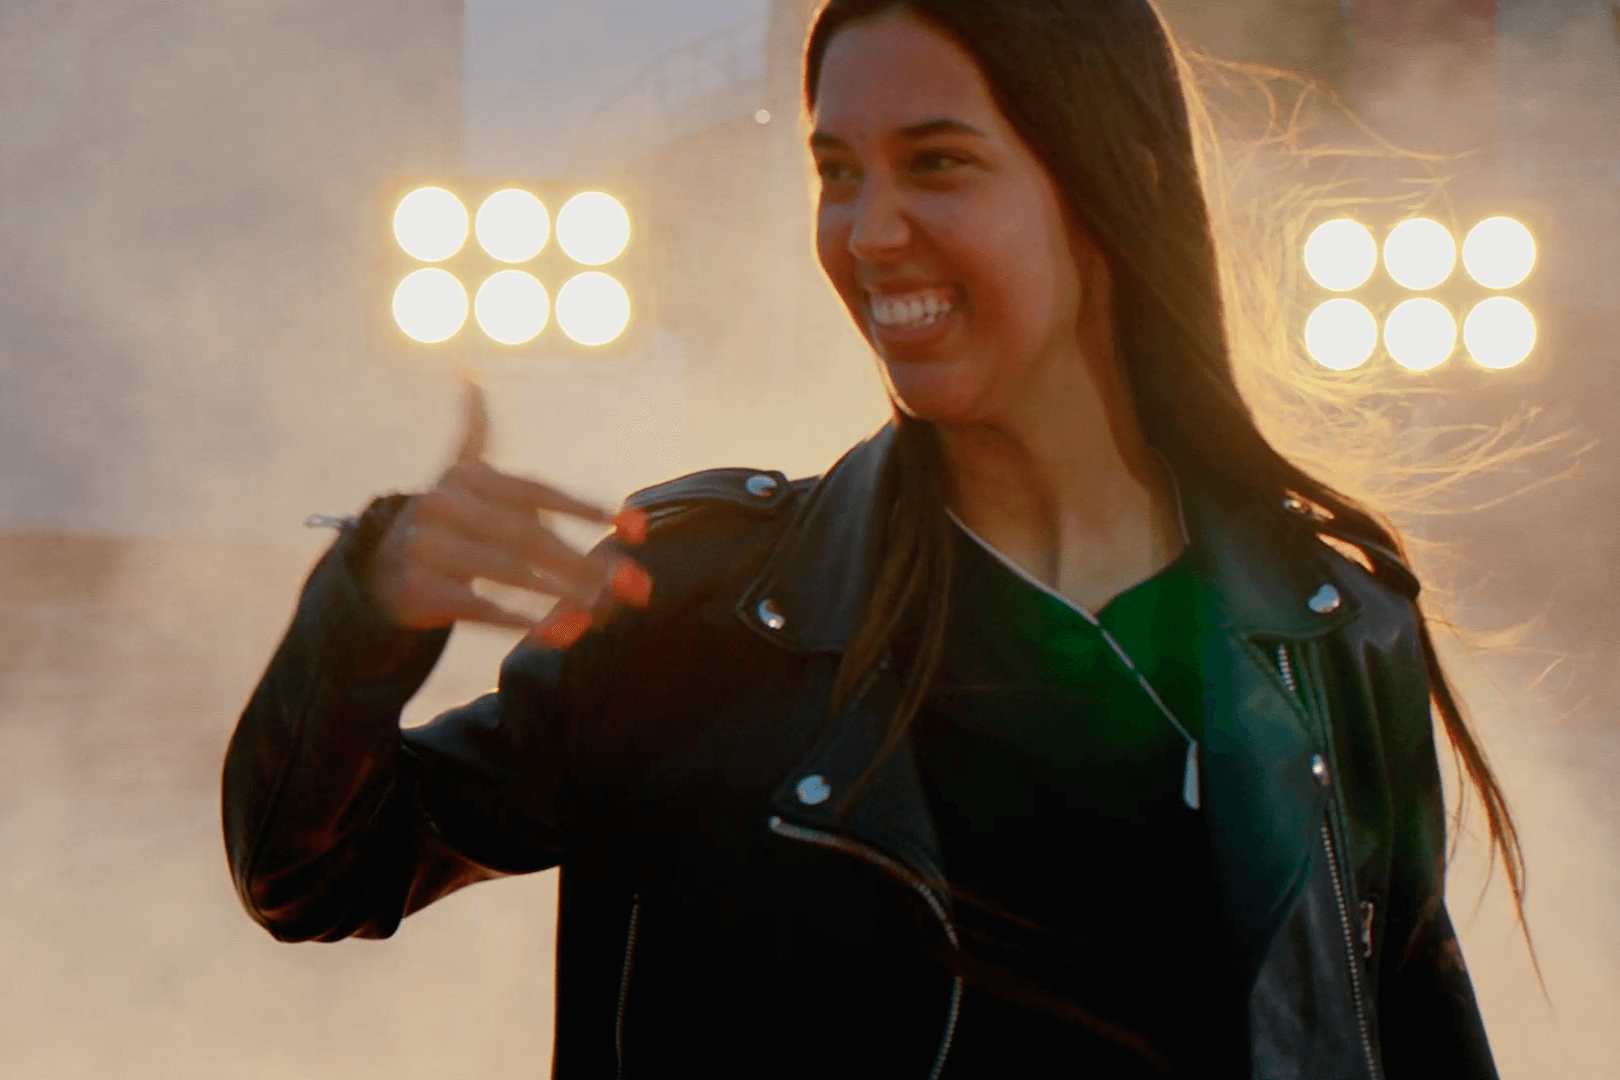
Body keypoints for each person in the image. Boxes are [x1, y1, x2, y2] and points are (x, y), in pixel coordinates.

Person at [223, 1, 1516, 1076]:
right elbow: (319, 871)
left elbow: (1413, 1031)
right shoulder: (698, 608)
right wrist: (370, 607)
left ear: (1102, 187)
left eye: (936, 161)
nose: (867, 227)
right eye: (838, 171)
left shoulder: (1331, 631)